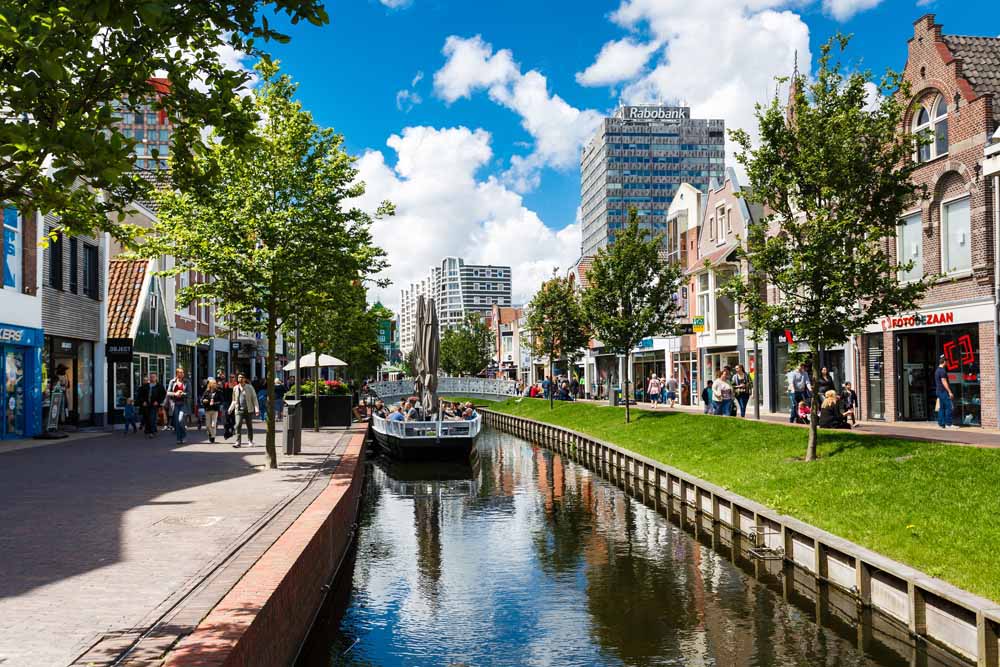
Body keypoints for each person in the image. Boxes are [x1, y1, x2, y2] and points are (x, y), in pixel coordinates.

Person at [229, 373, 259, 448]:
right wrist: (230, 409)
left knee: (249, 426)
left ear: (245, 379)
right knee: (238, 425)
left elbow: (254, 398)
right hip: (238, 410)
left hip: (248, 410)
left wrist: (256, 409)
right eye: (239, 377)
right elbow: (234, 400)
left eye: (242, 377)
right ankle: (238, 442)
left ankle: (250, 441)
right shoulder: (235, 388)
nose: (240, 379)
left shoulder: (250, 387)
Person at [136, 372, 166, 438]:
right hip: (146, 404)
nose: (152, 378)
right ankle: (150, 430)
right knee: (147, 418)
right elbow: (140, 395)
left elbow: (163, 395)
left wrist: (158, 401)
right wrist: (143, 401)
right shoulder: (145, 386)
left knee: (152, 418)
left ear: (156, 378)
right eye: (151, 377)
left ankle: (151, 432)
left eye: (154, 377)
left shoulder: (159, 386)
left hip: (154, 405)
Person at [166, 367, 190, 445]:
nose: (182, 374)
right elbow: (168, 393)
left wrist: (182, 393)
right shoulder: (172, 382)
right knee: (176, 422)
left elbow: (189, 393)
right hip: (175, 404)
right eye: (180, 372)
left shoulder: (187, 382)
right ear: (177, 374)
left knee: (180, 420)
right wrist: (175, 394)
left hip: (183, 403)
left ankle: (184, 435)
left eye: (182, 372)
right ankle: (179, 439)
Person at [935, 355, 955, 429]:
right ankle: (948, 424)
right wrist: (949, 391)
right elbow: (944, 382)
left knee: (942, 408)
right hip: (943, 391)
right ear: (944, 362)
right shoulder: (942, 371)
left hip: (939, 391)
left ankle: (941, 423)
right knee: (948, 407)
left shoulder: (937, 370)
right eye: (946, 362)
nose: (947, 363)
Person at [201, 378, 223, 443]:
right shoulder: (206, 392)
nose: (214, 384)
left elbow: (221, 401)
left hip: (215, 410)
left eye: (215, 383)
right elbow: (202, 399)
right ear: (210, 384)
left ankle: (213, 436)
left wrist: (215, 403)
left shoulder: (218, 392)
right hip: (207, 410)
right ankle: (210, 433)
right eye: (213, 383)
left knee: (213, 424)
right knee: (208, 425)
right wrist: (204, 401)